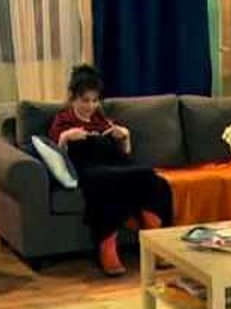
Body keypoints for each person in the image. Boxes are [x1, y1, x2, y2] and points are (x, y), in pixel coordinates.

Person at [49, 65, 173, 276]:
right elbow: (58, 157)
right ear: (73, 98)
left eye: (94, 100)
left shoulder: (101, 119)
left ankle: (155, 241)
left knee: (152, 177)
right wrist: (65, 138)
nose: (90, 106)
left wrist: (125, 136)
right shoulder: (63, 120)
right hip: (91, 170)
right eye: (85, 100)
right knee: (105, 183)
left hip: (116, 164)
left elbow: (125, 154)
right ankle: (107, 248)